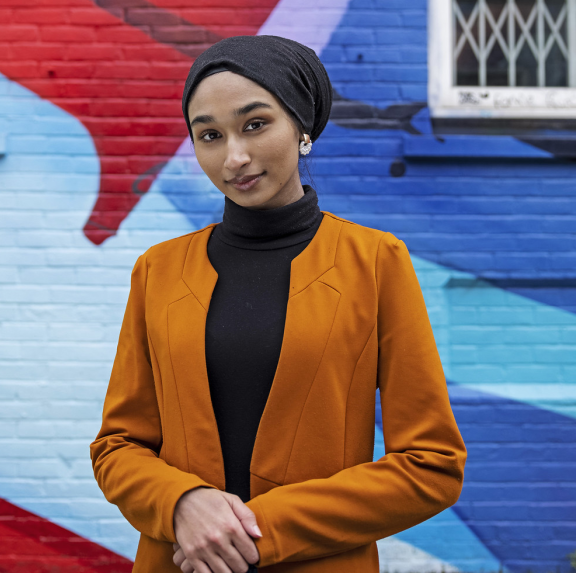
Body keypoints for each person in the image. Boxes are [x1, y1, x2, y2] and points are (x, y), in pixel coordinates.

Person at [89, 35, 466, 573]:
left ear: (302, 127)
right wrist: (180, 503)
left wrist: (253, 532)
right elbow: (118, 446)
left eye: (255, 124)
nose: (234, 156)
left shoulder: (376, 262)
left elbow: (432, 465)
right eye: (210, 135)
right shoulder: (158, 270)